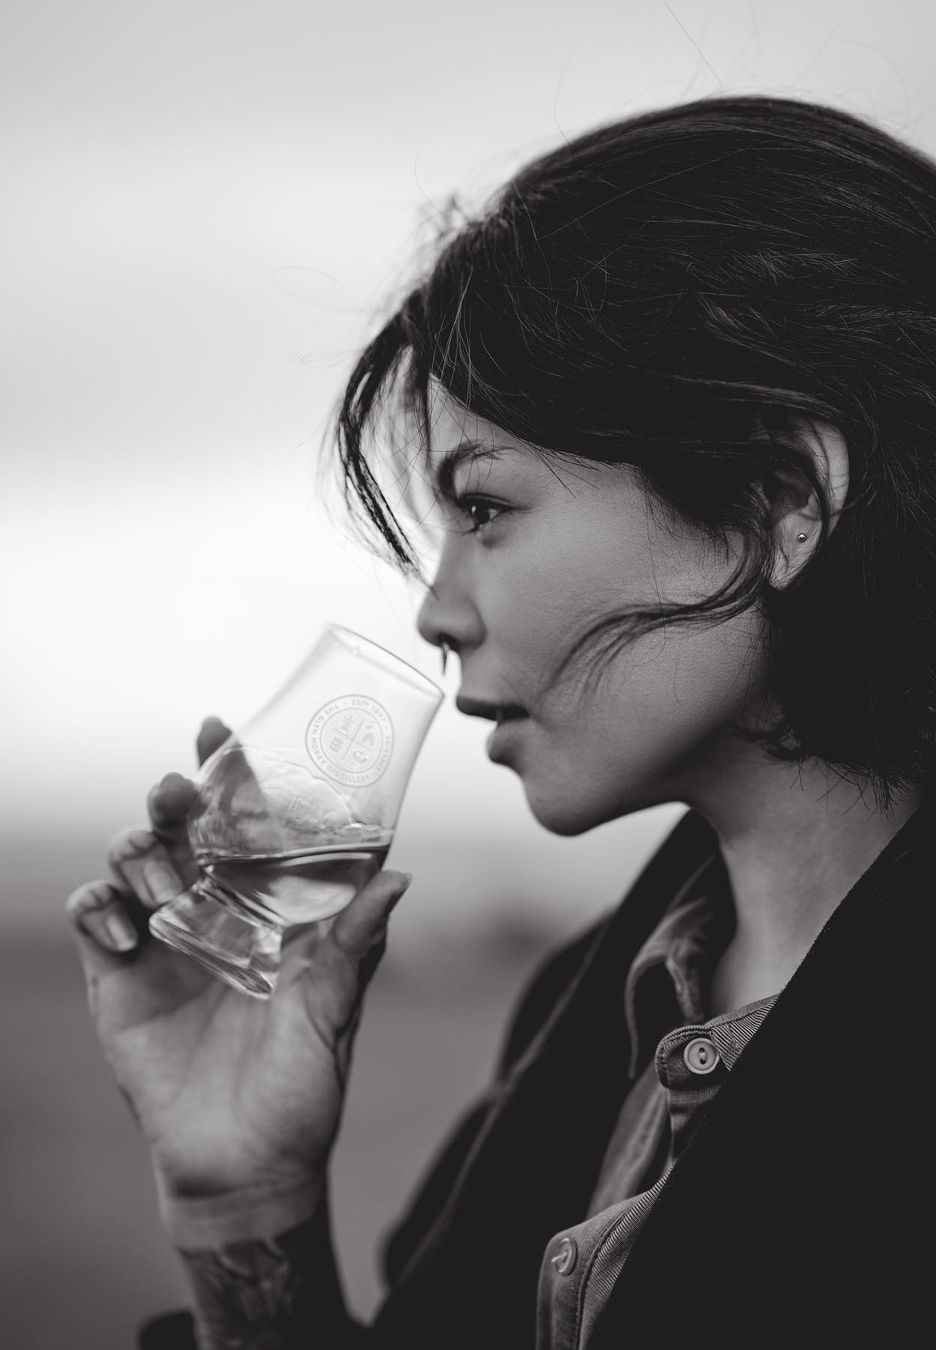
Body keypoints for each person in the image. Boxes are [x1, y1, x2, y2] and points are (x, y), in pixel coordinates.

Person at [66, 93, 936, 1348]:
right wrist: (244, 1204)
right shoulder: (586, 1014)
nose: (437, 610)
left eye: (484, 510)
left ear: (777, 499)